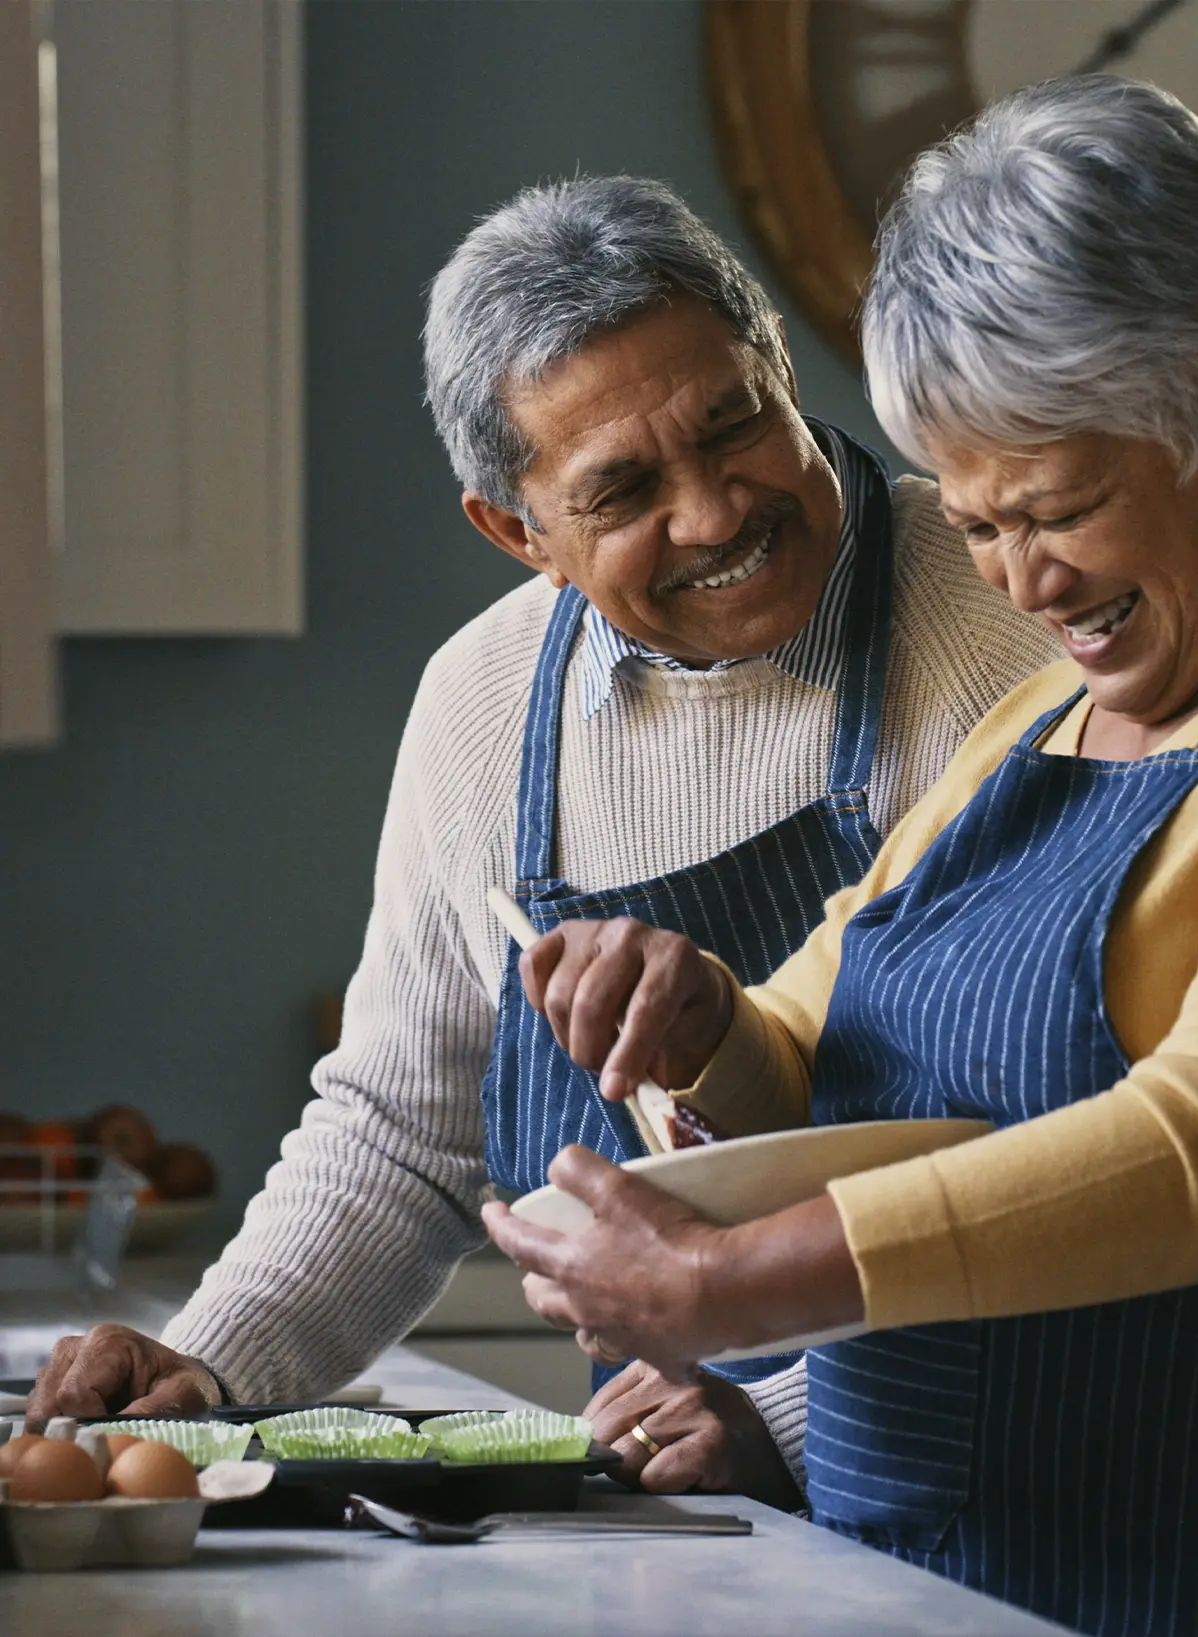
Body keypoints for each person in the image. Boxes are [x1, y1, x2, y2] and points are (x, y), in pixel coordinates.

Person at [479, 77, 1198, 1637]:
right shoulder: (1039, 723)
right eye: (973, 522)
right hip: (938, 1590)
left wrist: (746, 1290)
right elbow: (809, 1045)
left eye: (1060, 508)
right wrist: (702, 1021)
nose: (1021, 581)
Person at [25, 177, 1059, 1505]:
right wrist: (209, 1377)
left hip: (1023, 1476)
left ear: (779, 367)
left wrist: (787, 1420)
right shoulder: (483, 705)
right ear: (514, 531)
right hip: (679, 1524)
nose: (711, 513)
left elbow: (1089, 1139)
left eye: (733, 423)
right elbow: (405, 1134)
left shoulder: (1014, 619)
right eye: (623, 490)